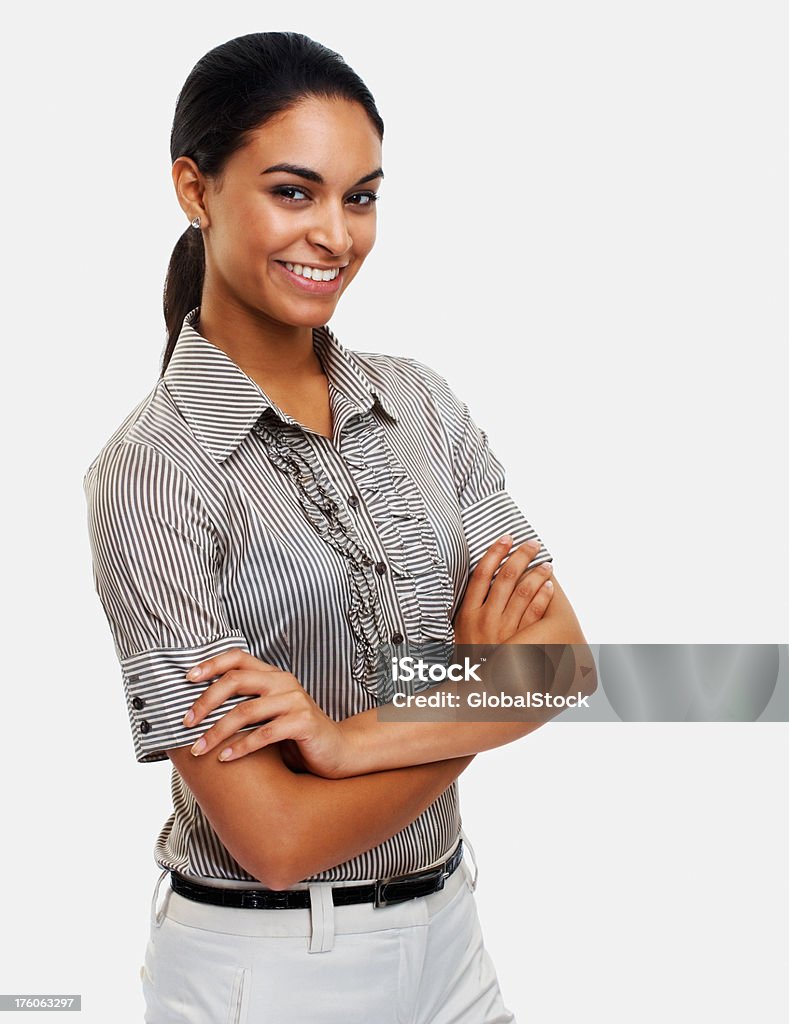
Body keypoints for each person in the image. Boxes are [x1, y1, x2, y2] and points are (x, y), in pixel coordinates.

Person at [83, 30, 591, 1024]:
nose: (336, 233)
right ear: (195, 188)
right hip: (269, 968)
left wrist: (345, 741)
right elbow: (274, 835)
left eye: (360, 197)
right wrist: (480, 698)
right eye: (293, 191)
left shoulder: (421, 406)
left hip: (452, 939)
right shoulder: (154, 473)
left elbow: (562, 664)